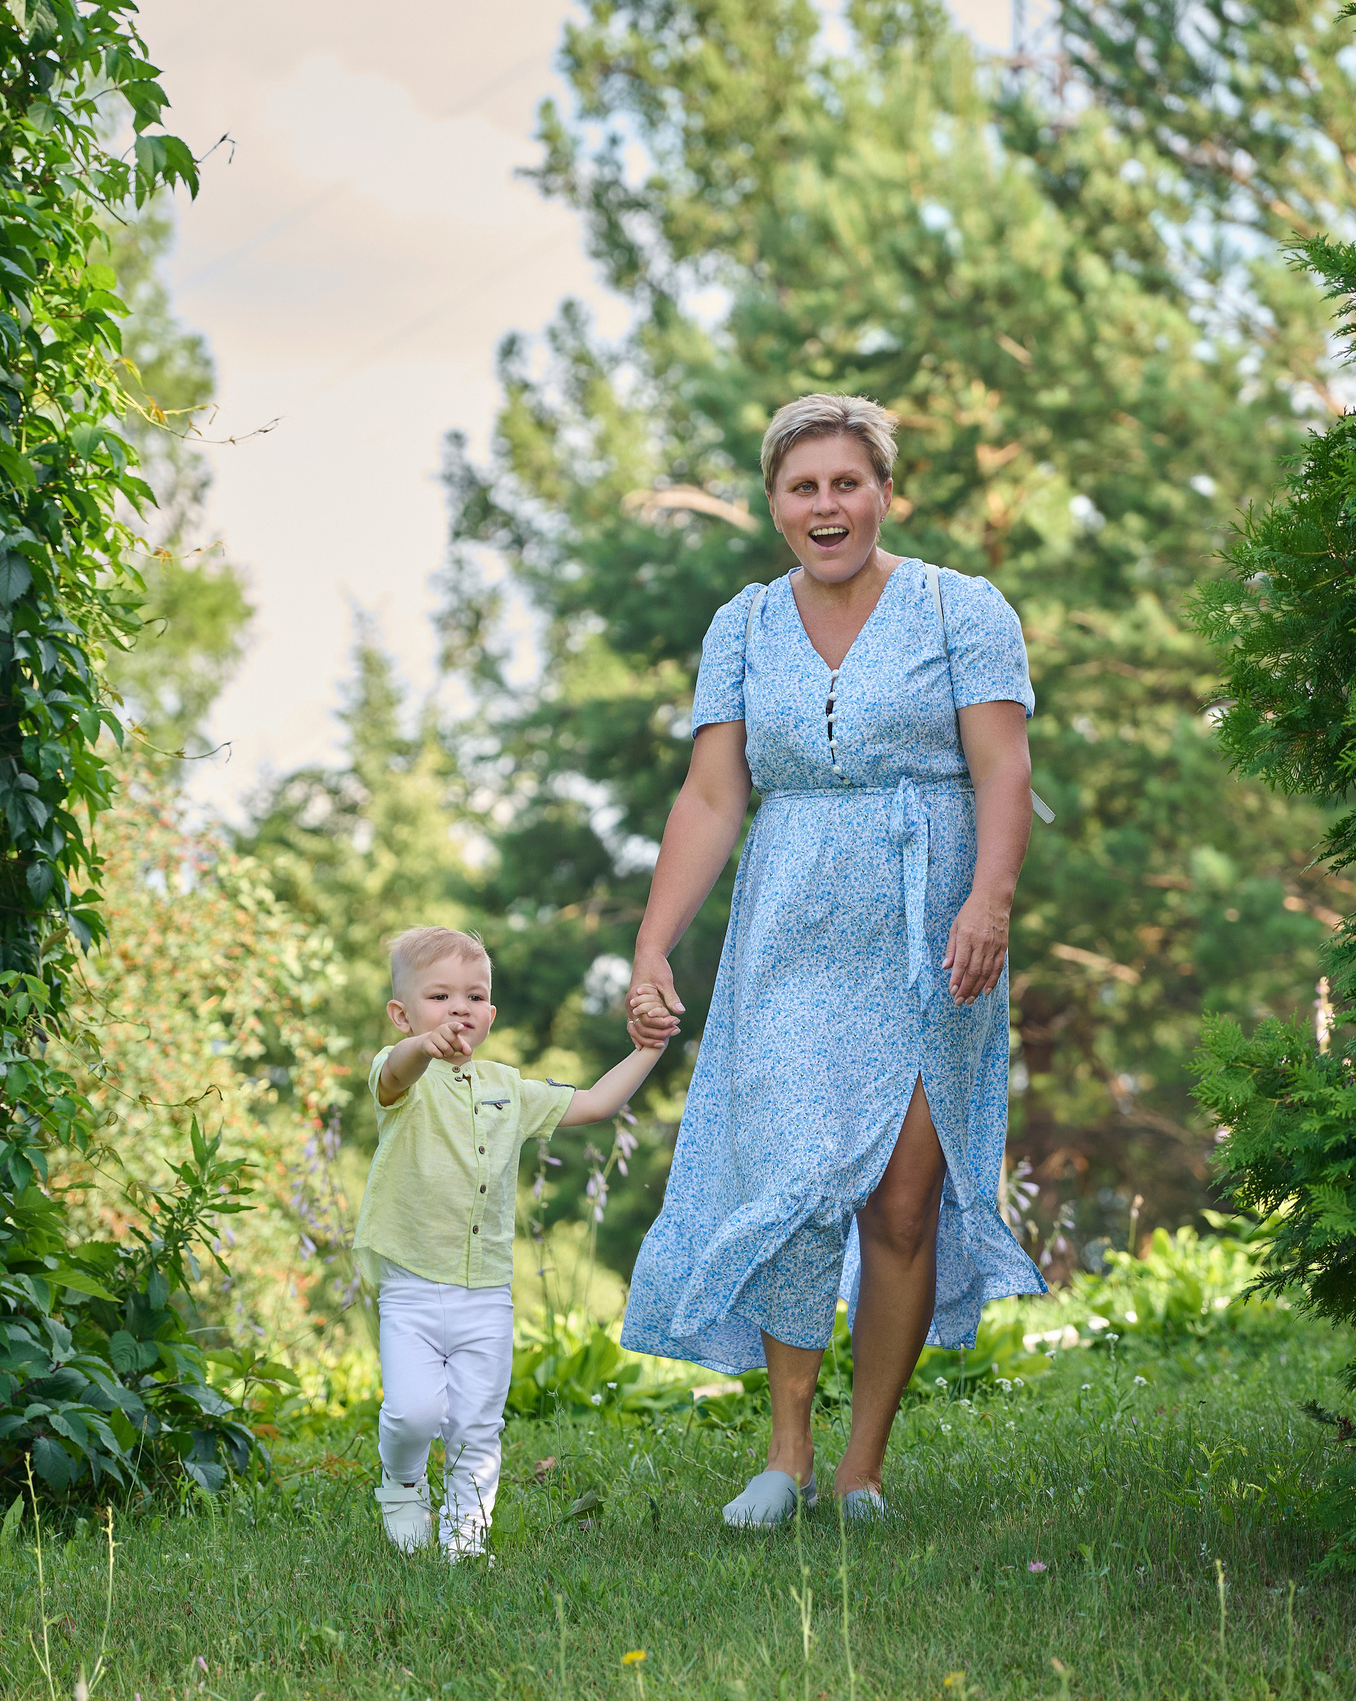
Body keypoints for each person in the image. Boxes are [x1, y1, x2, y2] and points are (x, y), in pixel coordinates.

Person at [618, 392, 1047, 1528]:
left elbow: (1004, 771)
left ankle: (861, 1469)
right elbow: (713, 797)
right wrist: (653, 946)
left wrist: (987, 903)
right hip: (791, 926)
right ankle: (785, 1454)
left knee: (902, 1206)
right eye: (802, 487)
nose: (826, 505)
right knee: (796, 1181)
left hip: (930, 925)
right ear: (773, 505)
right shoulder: (743, 627)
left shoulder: (964, 608)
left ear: (882, 492)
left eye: (845, 482)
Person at [353, 926, 671, 1556]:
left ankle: (466, 1538)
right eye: (439, 997)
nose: (458, 1010)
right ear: (403, 1014)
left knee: (477, 1424)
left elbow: (598, 1103)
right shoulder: (401, 1078)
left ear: (491, 1014)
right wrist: (421, 1047)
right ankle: (401, 1480)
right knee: (414, 1413)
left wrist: (648, 1050)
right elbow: (395, 1071)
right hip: (413, 1285)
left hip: (486, 1292)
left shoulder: (510, 1089)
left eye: (473, 997)